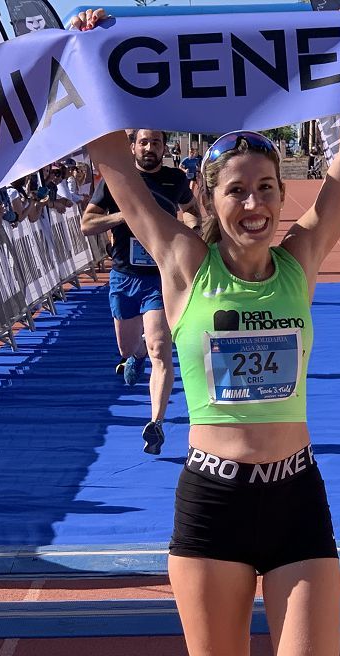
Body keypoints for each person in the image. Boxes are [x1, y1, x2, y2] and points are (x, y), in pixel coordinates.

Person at [78, 4, 340, 656]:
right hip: (212, 504)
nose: (255, 205)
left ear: (284, 197)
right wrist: (90, 53)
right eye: (238, 191)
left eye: (268, 190)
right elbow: (114, 162)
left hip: (296, 500)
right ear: (209, 200)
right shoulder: (183, 267)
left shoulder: (300, 262)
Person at [81, 128, 203, 454]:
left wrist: (189, 231)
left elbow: (193, 212)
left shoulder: (175, 180)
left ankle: (156, 424)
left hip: (161, 276)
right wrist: (125, 214)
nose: (150, 148)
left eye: (156, 142)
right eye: (144, 142)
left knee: (160, 349)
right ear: (133, 146)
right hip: (124, 277)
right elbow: (87, 224)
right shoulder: (117, 180)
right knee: (128, 345)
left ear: (165, 147)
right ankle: (133, 356)